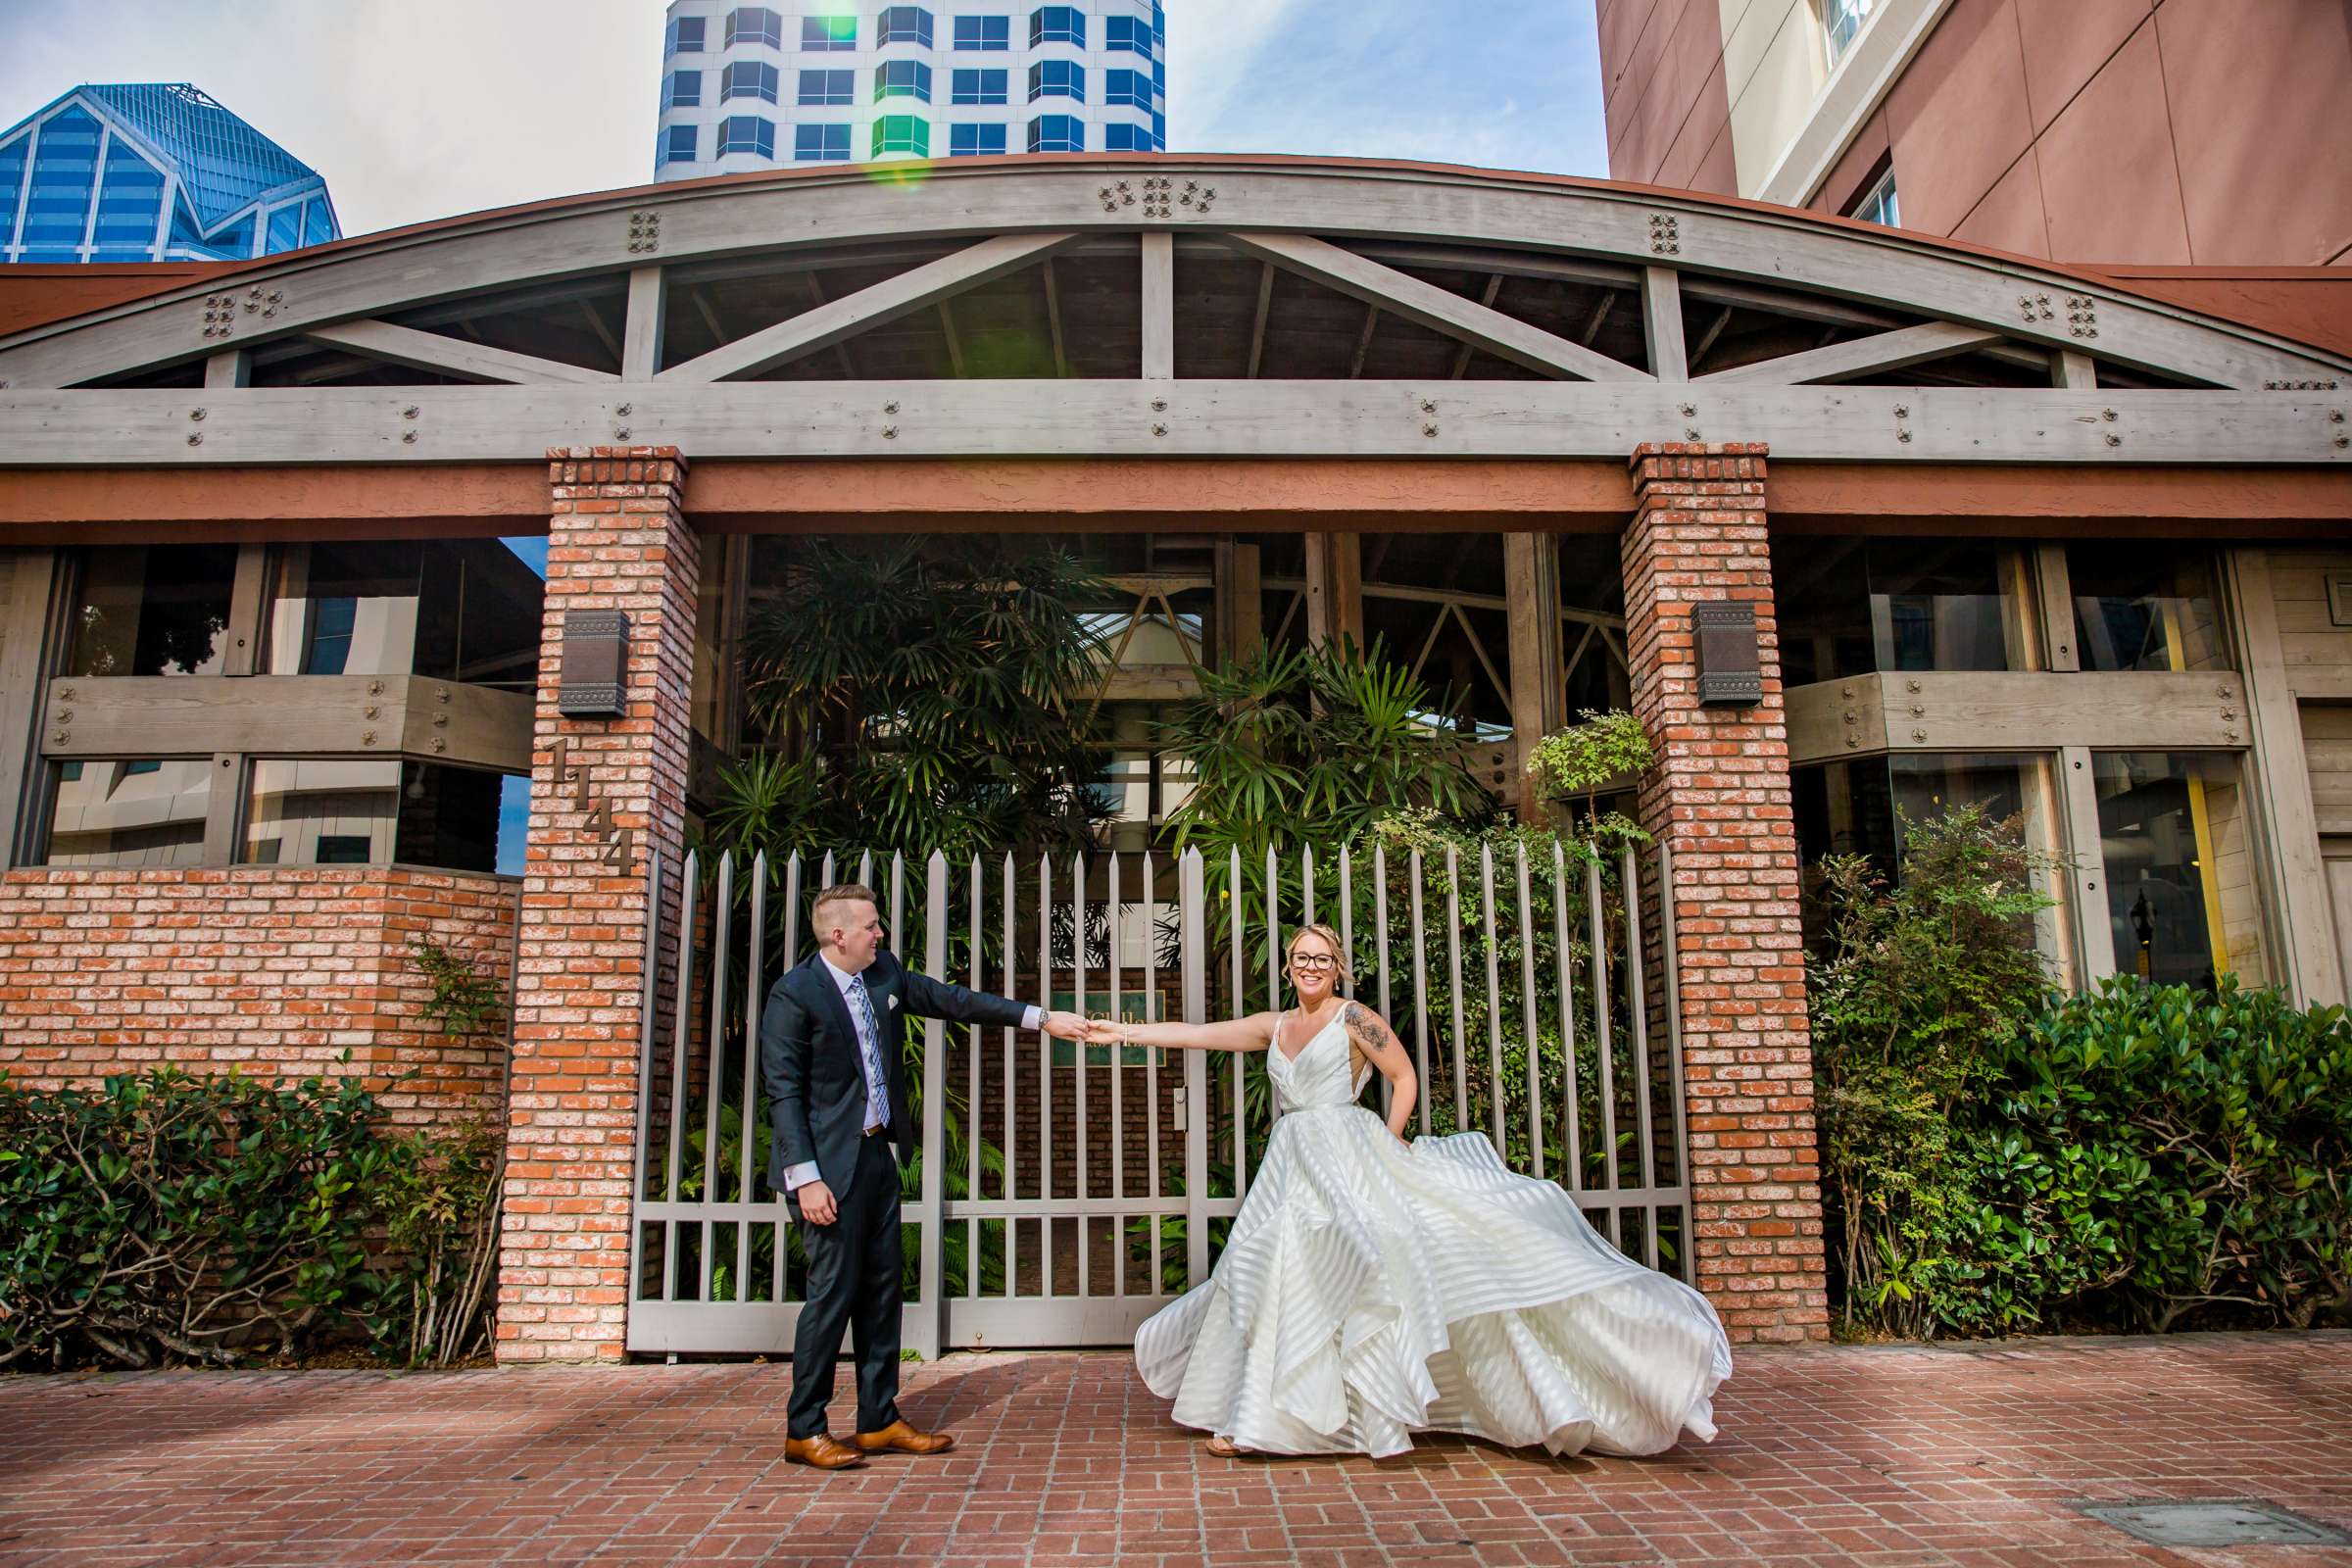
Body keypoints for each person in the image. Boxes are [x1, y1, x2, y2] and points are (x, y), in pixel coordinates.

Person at [1089, 922, 1733, 1460]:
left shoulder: (1355, 1019)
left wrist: (1392, 1140)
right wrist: (1119, 1032)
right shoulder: (1274, 1024)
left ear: (1337, 968)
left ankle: (1350, 1407)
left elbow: (1403, 1078)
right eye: (1300, 958)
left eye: (1321, 958)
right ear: (1288, 968)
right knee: (1277, 1268)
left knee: (1365, 1262)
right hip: (1291, 1160)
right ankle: (1256, 1415)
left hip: (1349, 1150)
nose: (1310, 966)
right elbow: (1198, 1035)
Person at [761, 882, 1088, 1471]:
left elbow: (952, 1000)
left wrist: (1042, 1019)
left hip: (875, 1156)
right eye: (870, 927)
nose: (880, 935)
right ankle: (803, 1429)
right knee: (831, 1298)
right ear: (839, 935)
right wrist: (804, 1178)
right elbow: (783, 1093)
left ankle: (878, 1420)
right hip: (825, 1169)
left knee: (883, 1292)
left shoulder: (883, 974)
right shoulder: (795, 994)